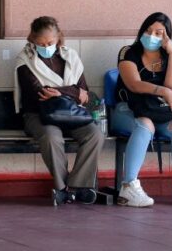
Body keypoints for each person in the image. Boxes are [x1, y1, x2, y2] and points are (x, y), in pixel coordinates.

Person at [15, 16, 105, 206]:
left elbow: (85, 93)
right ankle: (62, 188)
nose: (45, 46)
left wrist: (61, 92)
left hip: (71, 114)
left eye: (50, 42)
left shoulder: (71, 56)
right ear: (32, 39)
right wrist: (73, 91)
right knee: (51, 137)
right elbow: (39, 94)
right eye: (40, 43)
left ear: (59, 39)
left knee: (95, 134)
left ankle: (77, 186)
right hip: (39, 115)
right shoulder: (25, 60)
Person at [110, 12, 172, 207]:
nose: (152, 35)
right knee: (145, 124)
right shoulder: (128, 52)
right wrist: (162, 91)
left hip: (160, 112)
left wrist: (171, 53)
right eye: (148, 30)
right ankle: (128, 186)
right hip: (128, 110)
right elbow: (133, 84)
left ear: (167, 36)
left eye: (158, 32)